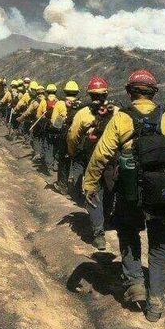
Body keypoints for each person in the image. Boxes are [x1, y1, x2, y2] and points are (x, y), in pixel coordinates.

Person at [83, 70, 165, 322]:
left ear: (130, 92)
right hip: (162, 194)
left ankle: (134, 283)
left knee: (128, 231)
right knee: (160, 244)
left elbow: (101, 154)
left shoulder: (121, 120)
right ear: (153, 93)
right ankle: (155, 301)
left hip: (130, 192)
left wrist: (89, 183)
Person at [67, 76, 118, 250]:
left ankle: (99, 233)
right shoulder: (117, 112)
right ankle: (106, 220)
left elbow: (73, 137)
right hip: (112, 160)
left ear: (89, 95)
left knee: (93, 193)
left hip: (91, 160)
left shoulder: (83, 113)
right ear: (106, 94)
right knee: (109, 190)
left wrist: (73, 153)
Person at [50, 81, 83, 194]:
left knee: (64, 161)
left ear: (65, 92)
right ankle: (77, 188)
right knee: (77, 162)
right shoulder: (81, 104)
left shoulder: (60, 104)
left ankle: (62, 186)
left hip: (64, 136)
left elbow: (55, 123)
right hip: (79, 138)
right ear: (77, 92)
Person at [40, 84, 59, 172]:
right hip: (57, 127)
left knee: (48, 144)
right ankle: (55, 163)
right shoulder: (59, 102)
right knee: (56, 146)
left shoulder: (44, 101)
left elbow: (41, 114)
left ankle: (47, 163)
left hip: (47, 126)